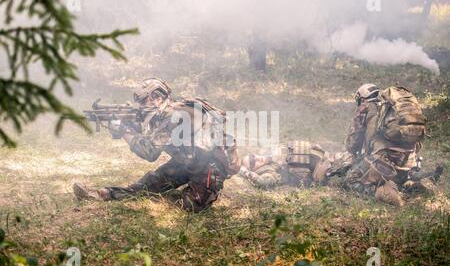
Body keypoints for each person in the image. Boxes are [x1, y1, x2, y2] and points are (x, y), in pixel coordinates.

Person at [73, 78, 240, 212]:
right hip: (187, 162)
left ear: (162, 96)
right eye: (144, 100)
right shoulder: (163, 115)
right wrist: (125, 124)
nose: (149, 103)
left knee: (191, 205)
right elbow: (147, 134)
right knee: (146, 186)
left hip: (211, 166)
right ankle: (101, 194)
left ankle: (201, 190)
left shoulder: (175, 116)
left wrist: (123, 129)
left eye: (154, 97)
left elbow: (149, 152)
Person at [341, 84, 442, 206]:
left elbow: (353, 144)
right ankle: (417, 184)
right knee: (400, 180)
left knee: (349, 181)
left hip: (383, 162)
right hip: (409, 161)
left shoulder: (365, 107)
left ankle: (381, 191)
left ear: (362, 98)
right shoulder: (392, 107)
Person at [239, 141, 329, 189]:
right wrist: (246, 173)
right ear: (253, 170)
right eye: (252, 162)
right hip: (324, 172)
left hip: (325, 156)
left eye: (252, 156)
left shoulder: (270, 151)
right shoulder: (269, 171)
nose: (256, 159)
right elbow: (262, 181)